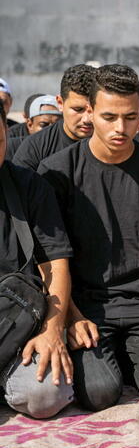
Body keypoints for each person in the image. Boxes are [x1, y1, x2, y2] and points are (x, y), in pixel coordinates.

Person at [38, 65, 139, 411]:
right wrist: (70, 316)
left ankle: (131, 355)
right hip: (85, 305)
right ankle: (113, 362)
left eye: (130, 117)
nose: (121, 128)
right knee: (99, 394)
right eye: (109, 116)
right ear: (89, 112)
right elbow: (51, 260)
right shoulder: (57, 172)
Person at [0, 103, 75, 419]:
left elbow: (55, 265)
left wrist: (52, 330)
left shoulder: (28, 186)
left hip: (15, 324)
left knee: (47, 394)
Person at [13, 64, 96, 172]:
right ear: (60, 103)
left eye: (93, 110)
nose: (87, 119)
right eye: (78, 109)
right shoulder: (34, 147)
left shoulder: (117, 145)